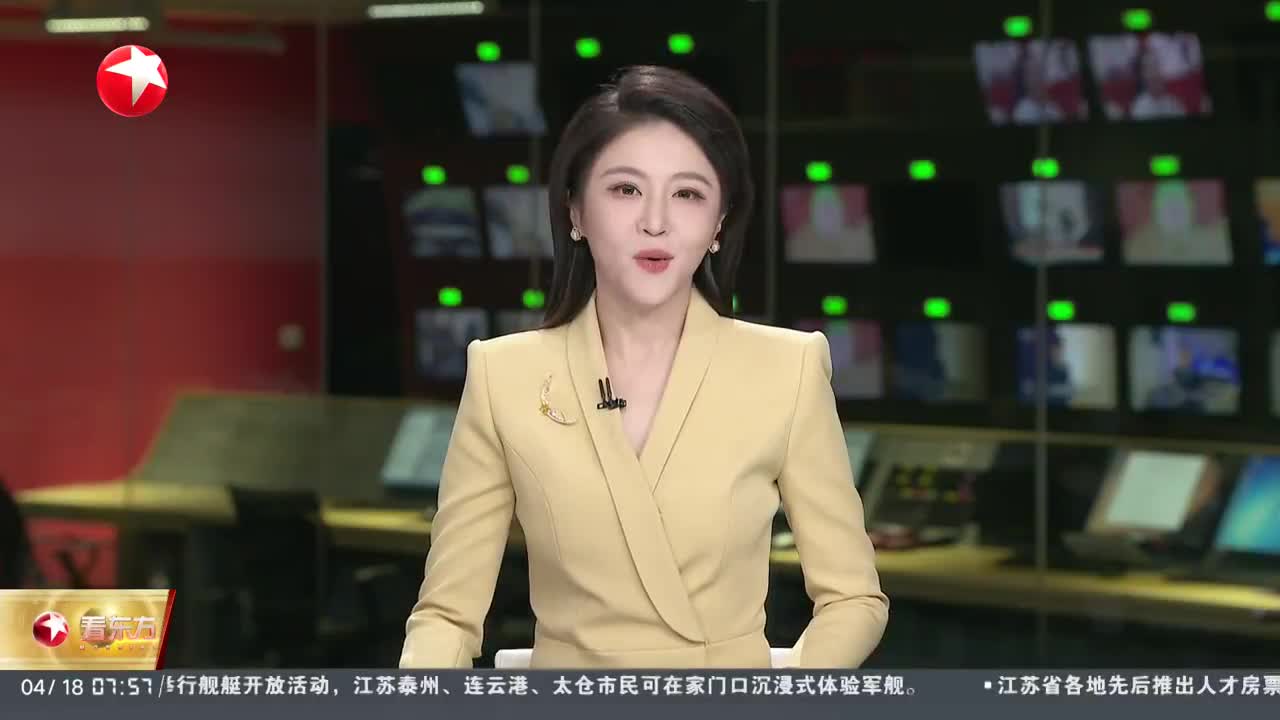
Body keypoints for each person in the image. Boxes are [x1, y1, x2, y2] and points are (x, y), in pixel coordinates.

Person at [399, 65, 888, 669]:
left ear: (719, 222)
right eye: (626, 189)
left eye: (688, 194)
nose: (655, 222)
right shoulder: (503, 376)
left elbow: (853, 598)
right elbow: (447, 615)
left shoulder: (788, 369)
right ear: (575, 211)